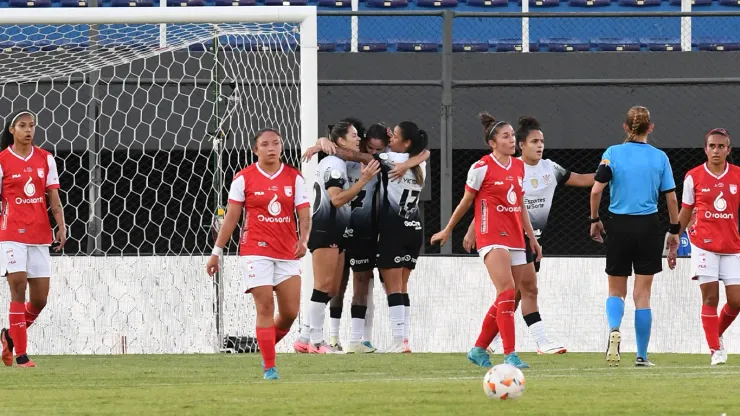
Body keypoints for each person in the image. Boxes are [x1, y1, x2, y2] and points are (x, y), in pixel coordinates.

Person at [464, 116, 594, 355]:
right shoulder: (511, 167)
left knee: (513, 295)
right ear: (521, 145)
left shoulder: (550, 168)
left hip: (531, 237)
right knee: (526, 290)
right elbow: (491, 201)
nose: (540, 145)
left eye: (542, 141)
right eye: (534, 141)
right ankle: (541, 342)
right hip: (510, 235)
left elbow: (584, 179)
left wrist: (610, 172)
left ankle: (486, 343)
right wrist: (474, 229)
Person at [301, 122, 430, 353]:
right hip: (402, 227)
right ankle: (326, 337)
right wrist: (323, 142)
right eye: (368, 147)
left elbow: (353, 155)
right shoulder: (417, 163)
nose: (371, 154)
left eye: (378, 149)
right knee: (332, 286)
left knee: (365, 284)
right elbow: (423, 152)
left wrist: (322, 144)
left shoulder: (386, 161)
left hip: (371, 228)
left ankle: (358, 339)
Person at [431, 112, 541, 369]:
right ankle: (510, 354)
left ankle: (479, 348)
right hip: (491, 234)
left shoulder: (519, 166)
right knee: (505, 289)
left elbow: (521, 204)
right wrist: (448, 229)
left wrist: (531, 237)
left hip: (515, 235)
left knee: (511, 295)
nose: (512, 140)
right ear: (493, 143)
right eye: (506, 136)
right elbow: (466, 202)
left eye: (513, 135)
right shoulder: (481, 167)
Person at [206, 128, 311, 380]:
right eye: (265, 144)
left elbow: (304, 214)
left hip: (287, 251)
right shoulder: (244, 178)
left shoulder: (294, 178)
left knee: (290, 312)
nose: (271, 148)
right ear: (256, 150)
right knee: (265, 306)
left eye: (276, 143)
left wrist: (304, 240)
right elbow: (232, 217)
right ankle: (270, 367)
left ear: (282, 147)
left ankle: (264, 348)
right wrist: (216, 252)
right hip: (255, 250)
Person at [590, 106, 679, 367]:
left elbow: (596, 190)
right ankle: (642, 355)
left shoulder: (612, 154)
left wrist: (595, 220)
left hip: (619, 226)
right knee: (643, 295)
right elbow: (671, 197)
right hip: (649, 227)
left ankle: (614, 329)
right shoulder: (660, 157)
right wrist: (674, 230)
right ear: (650, 128)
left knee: (616, 291)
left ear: (626, 128)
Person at [292, 121, 380, 354]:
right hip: (326, 227)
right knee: (322, 287)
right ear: (340, 140)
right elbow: (336, 199)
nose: (358, 138)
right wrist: (363, 181)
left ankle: (304, 338)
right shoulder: (333, 163)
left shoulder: (339, 160)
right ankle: (317, 341)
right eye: (353, 135)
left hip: (336, 228)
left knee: (329, 288)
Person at [0, 110, 66, 368]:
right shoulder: (3, 160)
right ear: (11, 130)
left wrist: (61, 227)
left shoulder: (46, 159)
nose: (28, 130)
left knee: (40, 300)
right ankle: (22, 355)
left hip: (39, 233)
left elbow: (53, 197)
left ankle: (8, 336)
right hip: (11, 233)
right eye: (22, 126)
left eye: (32, 126)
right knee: (18, 287)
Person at [669, 128, 740, 366]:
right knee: (710, 297)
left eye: (721, 146)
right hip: (704, 244)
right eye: (712, 146)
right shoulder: (694, 176)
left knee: (737, 300)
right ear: (705, 149)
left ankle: (716, 334)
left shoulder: (738, 176)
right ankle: (715, 350)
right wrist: (674, 237)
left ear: (728, 150)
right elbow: (686, 211)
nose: (716, 150)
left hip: (732, 245)